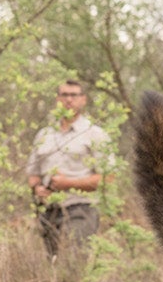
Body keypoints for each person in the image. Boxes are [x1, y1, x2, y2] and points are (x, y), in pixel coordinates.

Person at [25, 79, 110, 256]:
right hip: (48, 210)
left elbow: (107, 179)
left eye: (74, 95)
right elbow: (32, 174)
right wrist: (37, 188)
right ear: (57, 99)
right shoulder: (44, 134)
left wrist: (69, 183)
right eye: (64, 95)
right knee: (52, 263)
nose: (69, 100)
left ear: (83, 99)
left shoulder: (95, 134)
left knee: (74, 260)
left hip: (81, 207)